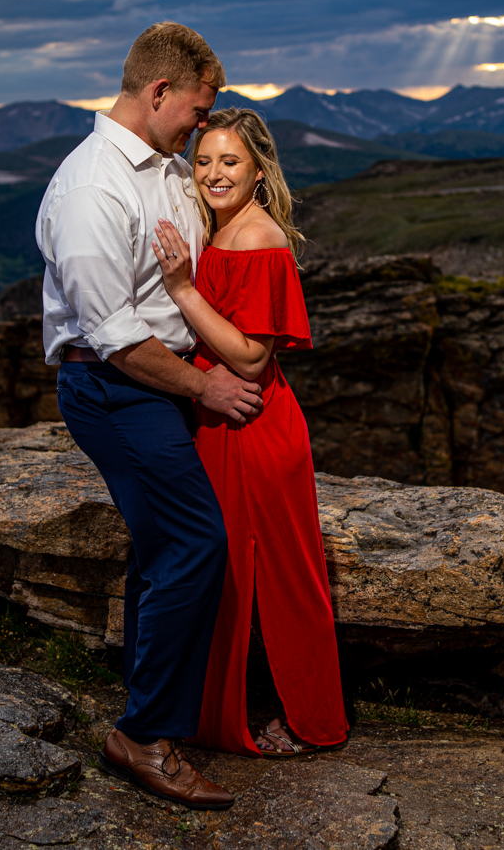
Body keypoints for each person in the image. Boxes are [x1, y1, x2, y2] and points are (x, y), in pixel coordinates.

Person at [36, 23, 261, 810]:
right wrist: (208, 390)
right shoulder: (92, 187)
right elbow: (117, 339)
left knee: (163, 546)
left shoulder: (166, 166)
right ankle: (146, 735)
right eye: (197, 110)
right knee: (198, 540)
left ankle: (157, 708)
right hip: (115, 388)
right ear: (158, 92)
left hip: (157, 381)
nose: (202, 126)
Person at [150, 108, 350, 758]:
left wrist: (180, 289)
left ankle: (313, 721)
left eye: (229, 162)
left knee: (288, 578)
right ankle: (209, 709)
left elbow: (252, 356)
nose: (212, 173)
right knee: (221, 569)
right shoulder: (219, 228)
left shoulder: (259, 238)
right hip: (220, 420)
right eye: (203, 160)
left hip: (255, 425)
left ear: (258, 172)